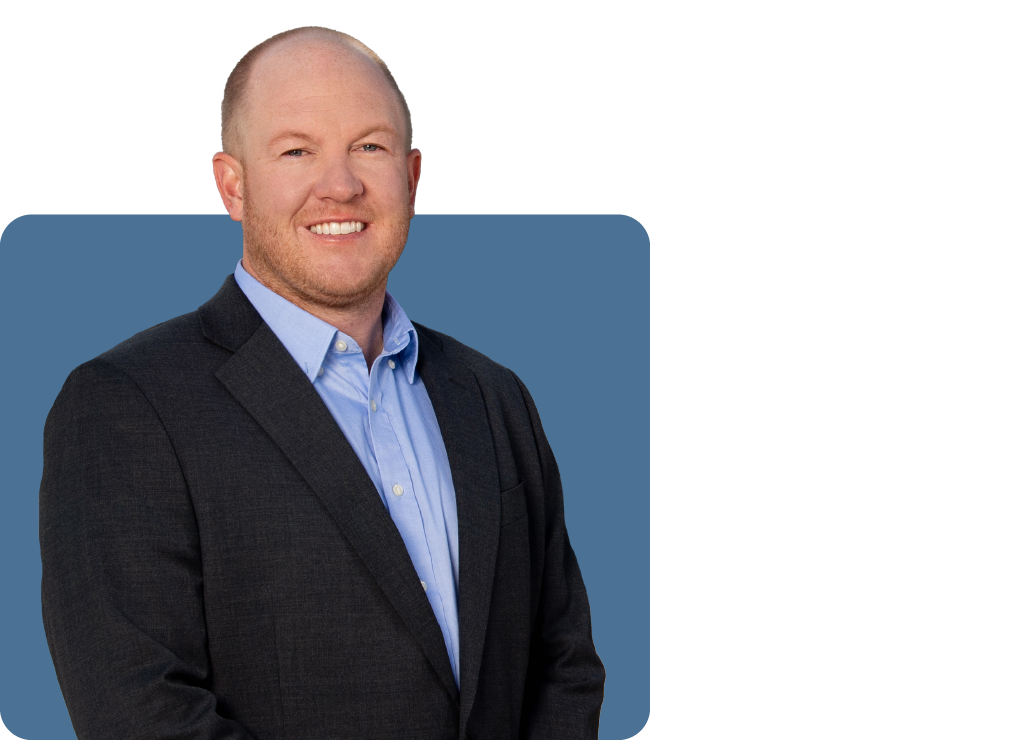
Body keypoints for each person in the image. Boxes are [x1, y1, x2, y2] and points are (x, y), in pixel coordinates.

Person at [39, 25, 604, 740]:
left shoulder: (494, 397)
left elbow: (564, 664)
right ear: (231, 185)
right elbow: (138, 709)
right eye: (297, 151)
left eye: (369, 146)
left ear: (413, 174)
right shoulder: (126, 406)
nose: (339, 185)